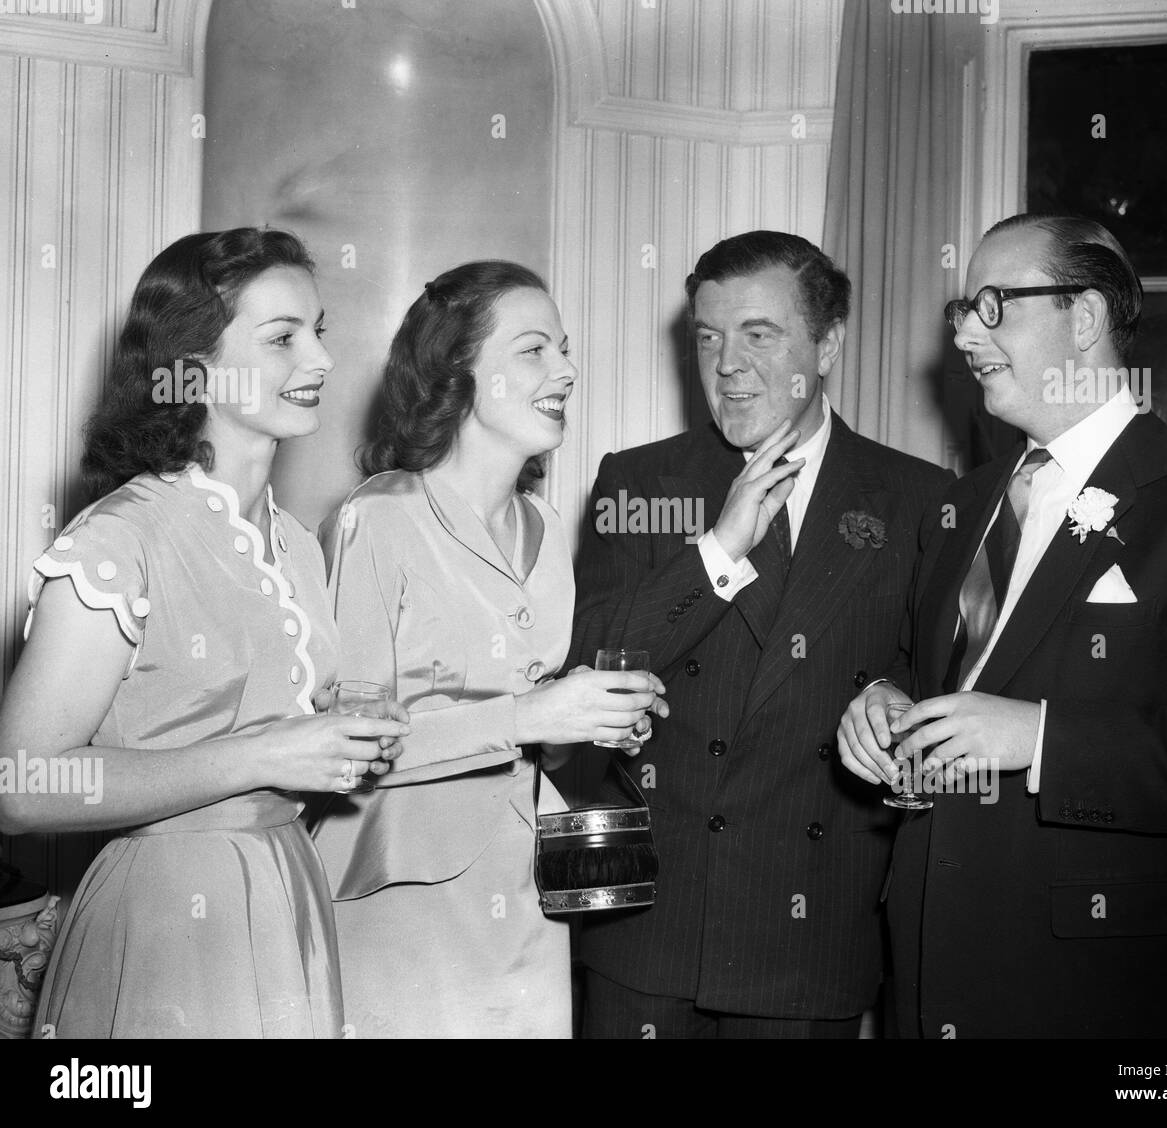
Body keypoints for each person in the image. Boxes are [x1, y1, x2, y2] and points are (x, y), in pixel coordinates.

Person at [839, 213, 1167, 1038]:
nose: (963, 334)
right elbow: (925, 675)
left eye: (991, 304)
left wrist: (1041, 739)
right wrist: (877, 702)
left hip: (1095, 992)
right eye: (960, 309)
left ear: (1083, 319)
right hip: (923, 971)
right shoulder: (958, 506)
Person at [0, 227, 409, 1038]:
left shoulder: (294, 543)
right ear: (195, 366)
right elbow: (21, 787)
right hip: (161, 923)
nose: (321, 360)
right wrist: (264, 755)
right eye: (282, 338)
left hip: (288, 893)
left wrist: (342, 750)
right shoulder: (118, 540)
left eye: (317, 332)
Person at [569, 230, 952, 1037]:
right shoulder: (640, 483)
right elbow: (589, 672)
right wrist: (719, 549)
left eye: (759, 334)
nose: (727, 364)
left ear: (829, 344)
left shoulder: (920, 500)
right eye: (708, 337)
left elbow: (942, 693)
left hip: (809, 942)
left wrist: (899, 715)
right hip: (648, 941)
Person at [311, 261, 668, 1038]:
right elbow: (345, 753)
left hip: (532, 903)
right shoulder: (382, 516)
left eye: (565, 350)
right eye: (534, 350)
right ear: (457, 373)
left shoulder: (545, 530)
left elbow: (538, 743)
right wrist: (534, 711)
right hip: (398, 900)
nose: (567, 370)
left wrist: (594, 724)